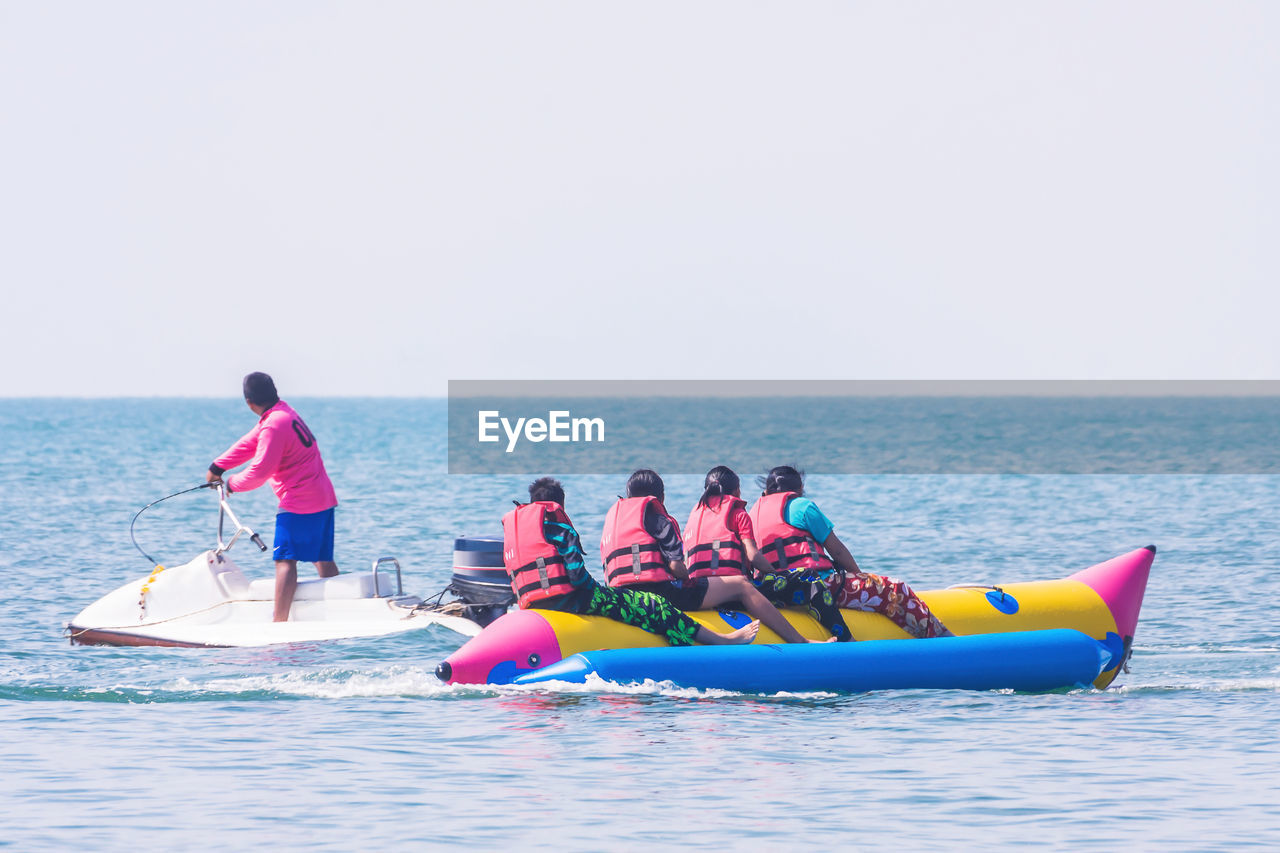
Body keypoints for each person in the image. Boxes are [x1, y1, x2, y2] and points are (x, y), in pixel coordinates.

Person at [503, 477, 759, 647]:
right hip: (573, 600)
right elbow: (576, 576)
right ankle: (721, 641)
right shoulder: (558, 527)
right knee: (654, 604)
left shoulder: (518, 530)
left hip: (531, 604)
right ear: (560, 502)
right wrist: (593, 590)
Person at [601, 468, 823, 643]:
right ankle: (798, 639)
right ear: (661, 496)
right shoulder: (660, 520)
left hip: (621, 595)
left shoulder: (613, 520)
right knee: (741, 585)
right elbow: (677, 568)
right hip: (660, 594)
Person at [751, 465, 952, 639]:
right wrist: (860, 576)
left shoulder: (752, 515)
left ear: (765, 492)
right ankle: (942, 639)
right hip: (819, 587)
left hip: (776, 593)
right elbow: (837, 551)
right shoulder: (802, 506)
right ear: (800, 489)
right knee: (895, 590)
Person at [205, 372, 340, 623]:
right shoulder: (282, 413)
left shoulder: (273, 423)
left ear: (249, 402)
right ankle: (343, 609)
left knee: (285, 560)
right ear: (274, 392)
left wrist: (231, 484)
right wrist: (217, 467)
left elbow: (260, 471)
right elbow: (251, 442)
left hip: (300, 502)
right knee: (322, 559)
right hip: (322, 497)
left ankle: (279, 623)